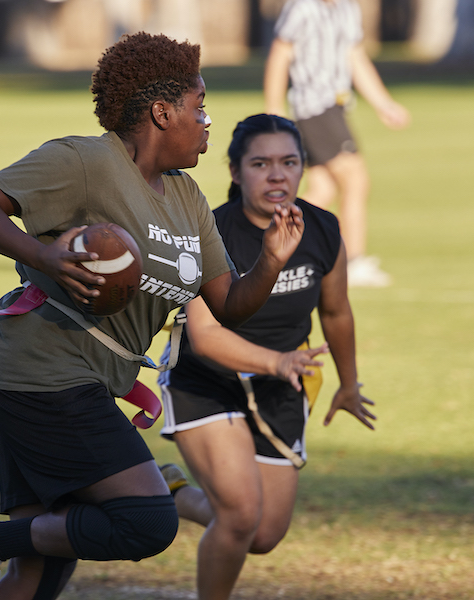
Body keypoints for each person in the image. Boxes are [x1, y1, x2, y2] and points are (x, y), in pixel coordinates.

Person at [0, 33, 304, 600]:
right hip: (40, 374)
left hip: (74, 383)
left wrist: (273, 262)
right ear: (162, 112)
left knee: (43, 572)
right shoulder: (84, 161)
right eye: (199, 106)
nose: (207, 120)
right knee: (147, 519)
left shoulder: (186, 196)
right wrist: (44, 256)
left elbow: (229, 302)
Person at [157, 113, 376, 600]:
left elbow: (337, 312)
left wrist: (348, 383)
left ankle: (173, 496)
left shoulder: (322, 229)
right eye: (261, 163)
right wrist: (277, 361)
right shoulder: (207, 233)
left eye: (289, 162)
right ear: (236, 171)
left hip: (282, 385)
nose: (277, 174)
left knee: (262, 534)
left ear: (303, 168)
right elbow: (208, 337)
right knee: (238, 516)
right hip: (205, 381)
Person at [264, 0, 410, 288]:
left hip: (337, 105)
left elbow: (355, 57)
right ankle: (352, 261)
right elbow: (280, 55)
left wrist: (383, 103)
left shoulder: (347, 8)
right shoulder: (302, 8)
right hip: (314, 109)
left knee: (323, 189)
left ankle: (271, 253)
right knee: (356, 180)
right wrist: (274, 109)